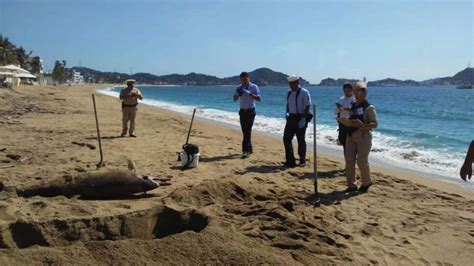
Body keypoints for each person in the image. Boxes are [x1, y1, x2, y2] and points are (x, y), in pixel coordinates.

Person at [338, 81, 377, 193]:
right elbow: (349, 117)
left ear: (364, 93)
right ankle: (351, 185)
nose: (356, 94)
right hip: (350, 136)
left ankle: (366, 182)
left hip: (363, 137)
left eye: (358, 91)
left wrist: (362, 125)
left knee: (361, 161)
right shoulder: (353, 105)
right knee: (349, 161)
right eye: (355, 91)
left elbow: (374, 124)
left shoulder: (369, 107)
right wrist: (344, 118)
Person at [283, 75, 312, 167]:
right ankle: (290, 160)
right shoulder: (289, 93)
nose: (291, 85)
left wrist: (303, 119)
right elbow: (288, 104)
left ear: (297, 83)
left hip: (300, 117)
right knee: (286, 139)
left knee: (301, 139)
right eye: (290, 83)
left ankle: (302, 160)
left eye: (293, 83)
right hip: (291, 117)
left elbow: (307, 106)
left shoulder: (304, 92)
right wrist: (287, 113)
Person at [233, 72, 261, 157]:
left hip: (250, 111)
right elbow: (234, 99)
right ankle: (250, 149)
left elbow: (259, 98)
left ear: (248, 78)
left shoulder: (254, 87)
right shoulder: (239, 87)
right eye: (242, 80)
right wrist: (238, 95)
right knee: (244, 131)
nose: (244, 81)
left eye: (245, 79)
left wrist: (250, 94)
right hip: (242, 111)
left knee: (247, 131)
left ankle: (245, 151)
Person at [335, 82, 355, 150]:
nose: (346, 93)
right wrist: (339, 110)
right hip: (342, 123)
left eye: (348, 91)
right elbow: (337, 112)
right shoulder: (341, 99)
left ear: (352, 90)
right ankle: (347, 158)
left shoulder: (355, 99)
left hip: (352, 123)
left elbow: (356, 111)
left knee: (352, 143)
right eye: (344, 91)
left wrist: (348, 109)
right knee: (344, 142)